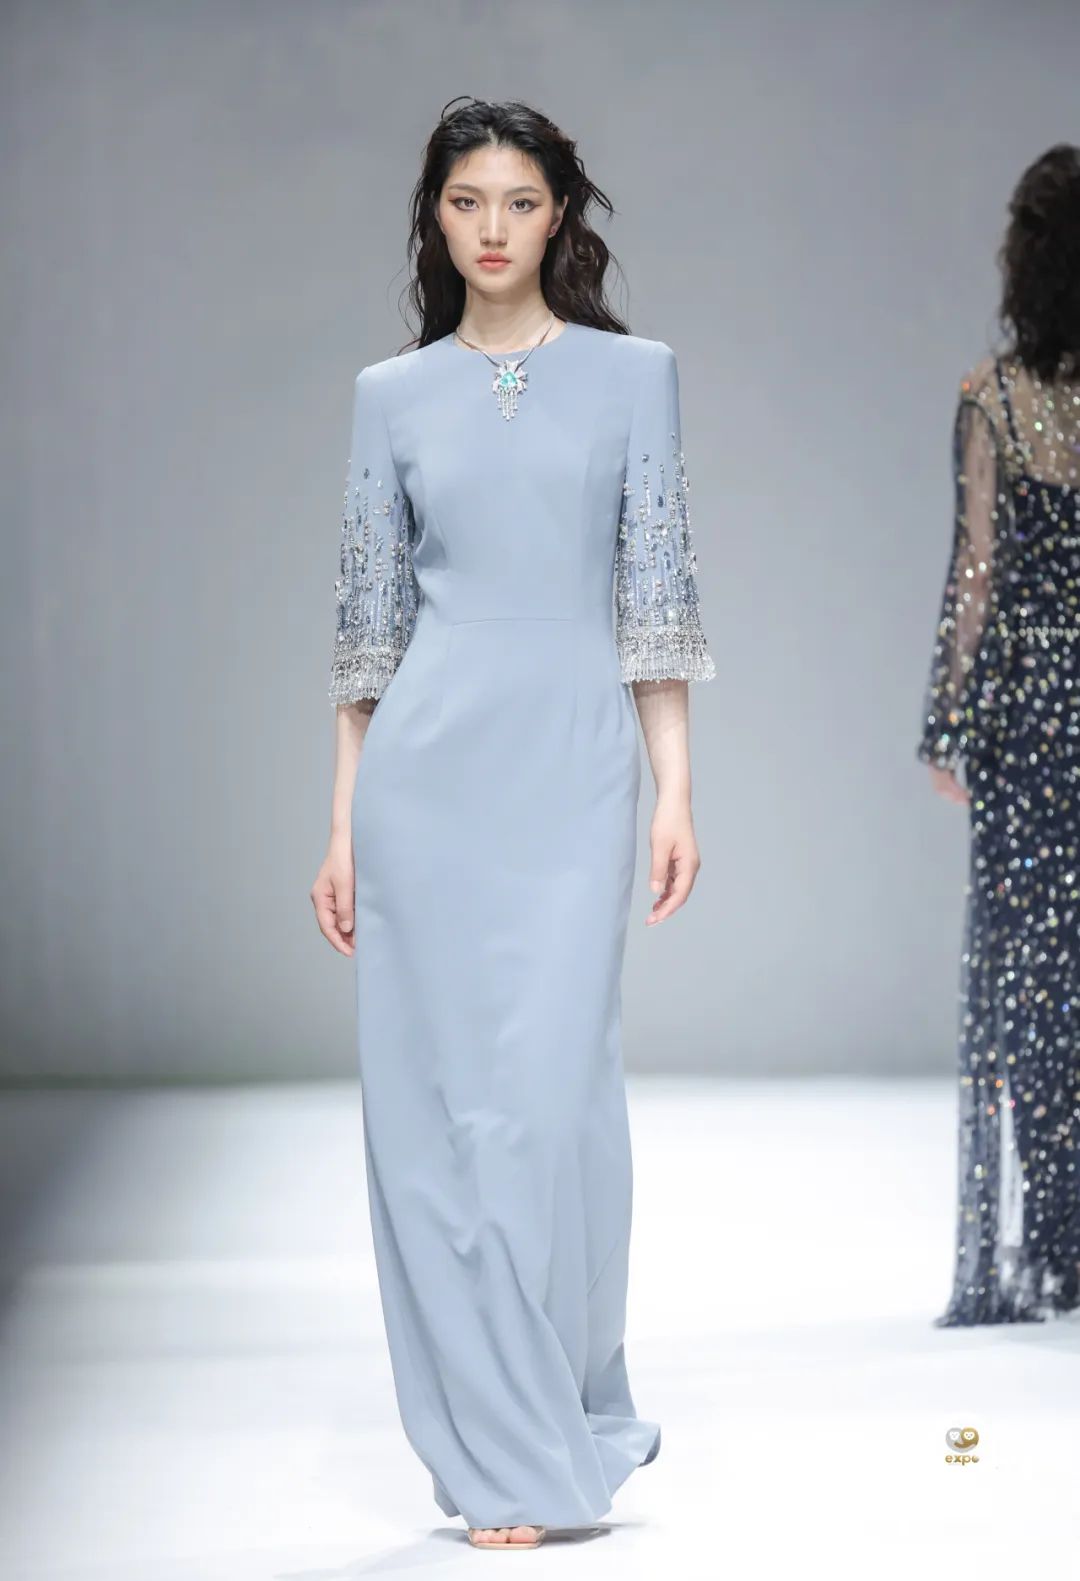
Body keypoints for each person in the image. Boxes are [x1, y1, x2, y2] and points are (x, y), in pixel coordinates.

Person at [309, 97, 716, 1547]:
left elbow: (654, 604)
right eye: (467, 201)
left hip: (574, 770)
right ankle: (500, 1453)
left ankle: (560, 1408)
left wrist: (677, 788)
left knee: (553, 1110)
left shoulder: (636, 378)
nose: (493, 228)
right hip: (423, 783)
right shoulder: (389, 396)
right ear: (435, 217)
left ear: (560, 217)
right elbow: (368, 641)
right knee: (439, 1123)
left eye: (521, 202)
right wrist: (343, 827)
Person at [917, 143, 1080, 1327]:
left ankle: (1055, 1239)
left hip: (1026, 718)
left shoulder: (994, 399)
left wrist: (948, 721)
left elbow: (973, 577)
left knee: (1031, 981)